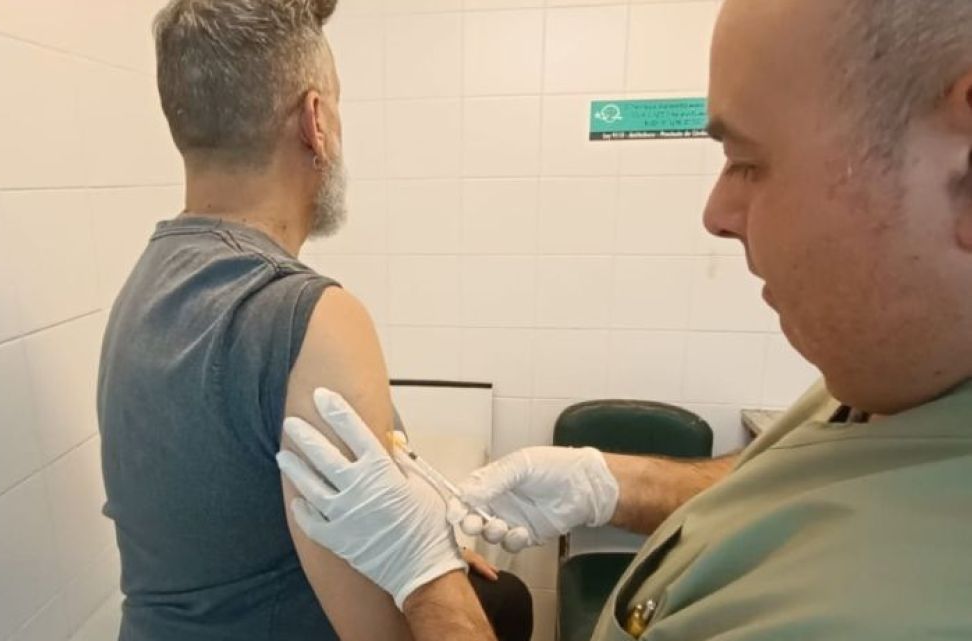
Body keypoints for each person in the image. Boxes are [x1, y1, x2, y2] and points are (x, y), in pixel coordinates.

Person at [277, 0, 972, 639]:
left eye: (748, 162)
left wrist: (425, 578)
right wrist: (608, 483)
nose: (716, 214)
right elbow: (807, 483)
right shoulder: (899, 378)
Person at [97, 1, 530, 640]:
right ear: (315, 121)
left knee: (504, 597)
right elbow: (386, 634)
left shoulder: (144, 287)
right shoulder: (310, 318)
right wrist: (430, 577)